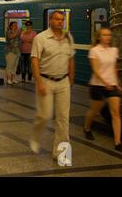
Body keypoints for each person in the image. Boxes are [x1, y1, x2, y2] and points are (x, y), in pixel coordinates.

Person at [29, 11, 75, 161]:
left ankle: (61, 154)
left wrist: (71, 78)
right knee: (45, 115)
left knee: (63, 118)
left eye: (62, 19)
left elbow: (71, 59)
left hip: (63, 82)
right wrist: (39, 82)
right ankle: (35, 137)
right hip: (45, 81)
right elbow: (34, 61)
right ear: (50, 20)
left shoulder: (68, 38)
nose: (59, 22)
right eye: (56, 19)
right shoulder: (40, 38)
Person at [83, 28, 122, 152]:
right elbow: (96, 70)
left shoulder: (114, 50)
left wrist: (117, 83)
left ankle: (118, 143)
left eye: (109, 35)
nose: (108, 37)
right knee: (94, 111)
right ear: (99, 37)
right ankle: (87, 128)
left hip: (111, 85)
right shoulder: (94, 51)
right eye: (104, 35)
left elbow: (114, 68)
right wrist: (104, 82)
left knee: (116, 113)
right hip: (97, 85)